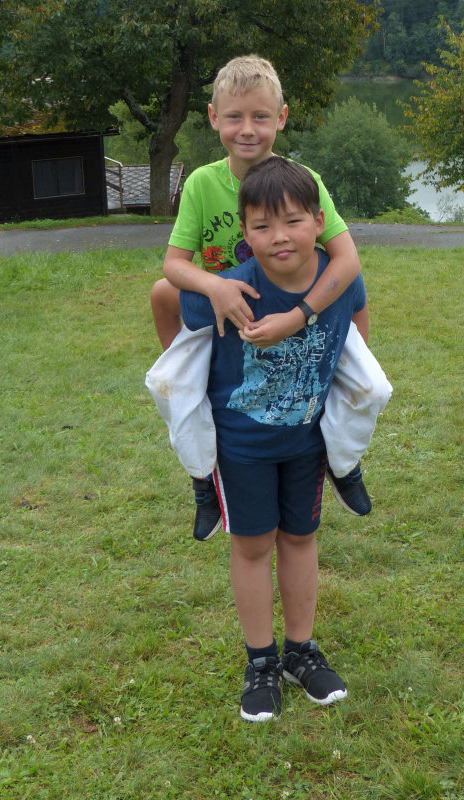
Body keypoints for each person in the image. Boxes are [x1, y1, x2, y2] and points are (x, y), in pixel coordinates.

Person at [178, 156, 373, 721]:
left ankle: (300, 652)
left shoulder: (338, 280)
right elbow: (169, 298)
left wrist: (350, 390)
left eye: (293, 221)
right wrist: (179, 398)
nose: (279, 236)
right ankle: (261, 660)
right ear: (245, 233)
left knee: (301, 539)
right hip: (241, 450)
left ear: (319, 221)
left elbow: (358, 320)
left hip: (307, 443)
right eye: (262, 226)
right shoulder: (230, 289)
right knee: (252, 546)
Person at [150, 54, 373, 541]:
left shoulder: (302, 180)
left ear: (282, 118)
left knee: (367, 387)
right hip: (231, 315)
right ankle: (204, 477)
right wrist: (213, 287)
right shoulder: (203, 183)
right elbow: (173, 267)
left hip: (301, 313)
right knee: (175, 390)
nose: (247, 129)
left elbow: (348, 261)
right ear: (214, 118)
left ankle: (343, 460)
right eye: (234, 116)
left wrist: (302, 317)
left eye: (260, 116)